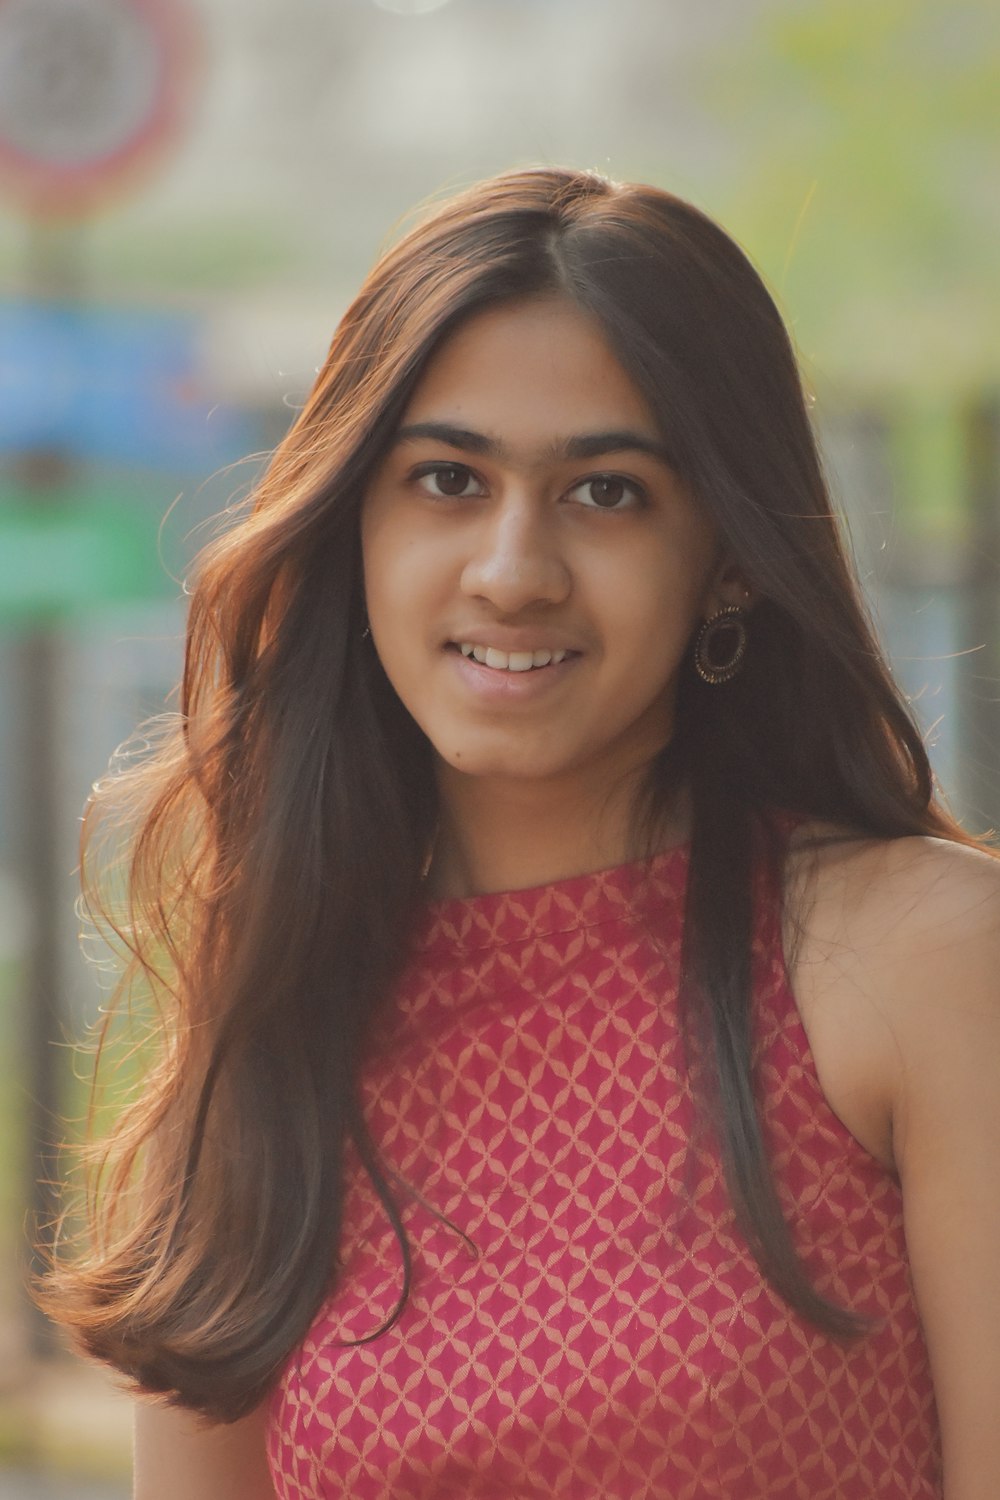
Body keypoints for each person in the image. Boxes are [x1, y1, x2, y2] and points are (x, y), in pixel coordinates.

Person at [39, 167, 1000, 1500]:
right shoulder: (274, 1004)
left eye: (606, 493)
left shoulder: (920, 961)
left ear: (726, 556)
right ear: (354, 530)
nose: (511, 568)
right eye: (446, 480)